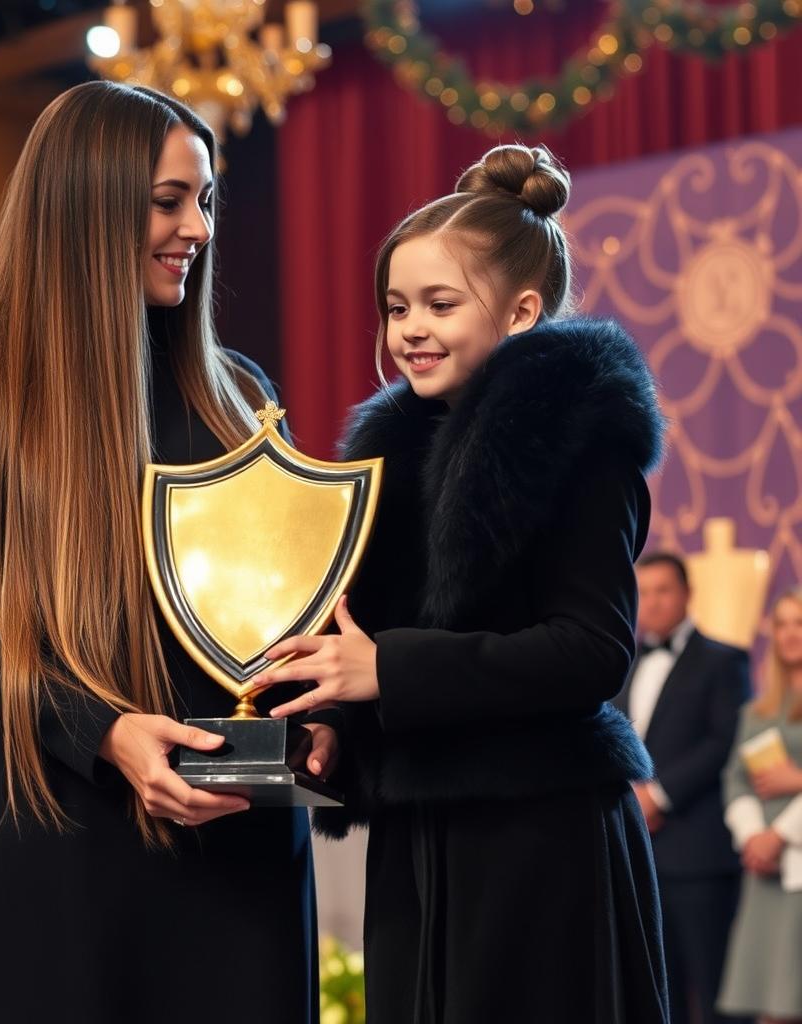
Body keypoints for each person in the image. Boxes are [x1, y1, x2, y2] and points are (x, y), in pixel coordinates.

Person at [0, 81, 335, 1024]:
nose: (200, 229)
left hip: (236, 851)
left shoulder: (238, 393)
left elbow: (284, 605)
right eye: (169, 200)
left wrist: (317, 712)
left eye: (207, 200)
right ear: (88, 203)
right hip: (62, 834)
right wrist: (105, 730)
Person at [255, 144, 669, 1023]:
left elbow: (592, 652)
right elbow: (359, 648)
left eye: (440, 304)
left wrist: (390, 673)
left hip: (540, 843)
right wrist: (333, 720)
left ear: (522, 312)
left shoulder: (580, 441)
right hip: (415, 842)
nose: (410, 328)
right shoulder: (385, 463)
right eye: (397, 306)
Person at [613, 551, 751, 1024]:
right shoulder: (620, 663)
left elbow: (723, 742)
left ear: (688, 594)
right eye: (643, 592)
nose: (650, 602)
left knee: (712, 989)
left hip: (698, 854)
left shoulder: (724, 660)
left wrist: (659, 794)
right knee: (651, 987)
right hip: (635, 853)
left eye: (662, 590)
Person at [718, 588, 802, 1024]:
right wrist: (754, 837)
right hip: (764, 870)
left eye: (799, 623)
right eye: (782, 624)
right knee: (768, 1002)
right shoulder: (758, 709)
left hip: (799, 865)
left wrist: (781, 833)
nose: (790, 634)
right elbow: (736, 779)